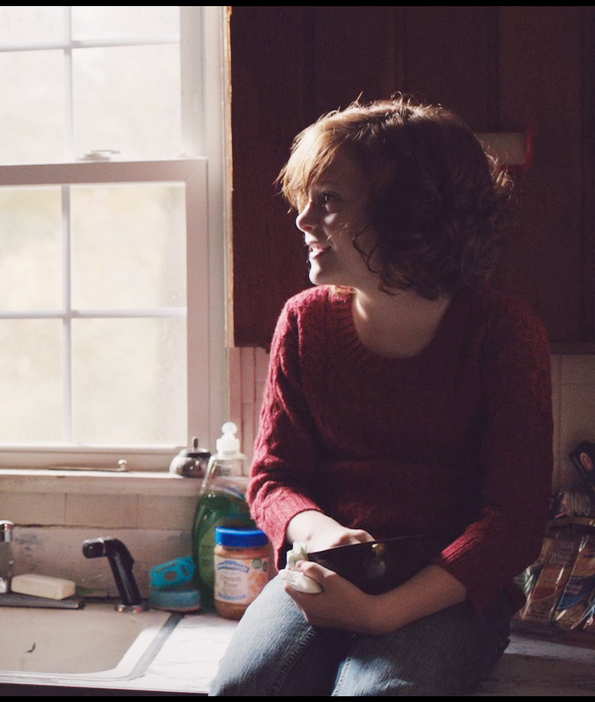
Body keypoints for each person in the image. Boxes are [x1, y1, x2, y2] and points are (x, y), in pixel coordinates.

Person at [209, 97, 552, 695]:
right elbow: (273, 477)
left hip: (448, 592)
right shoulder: (303, 322)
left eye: (330, 201)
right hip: (327, 570)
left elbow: (512, 524)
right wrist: (320, 535)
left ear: (408, 213)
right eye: (306, 199)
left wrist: (378, 614)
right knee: (245, 687)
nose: (303, 220)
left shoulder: (502, 334)